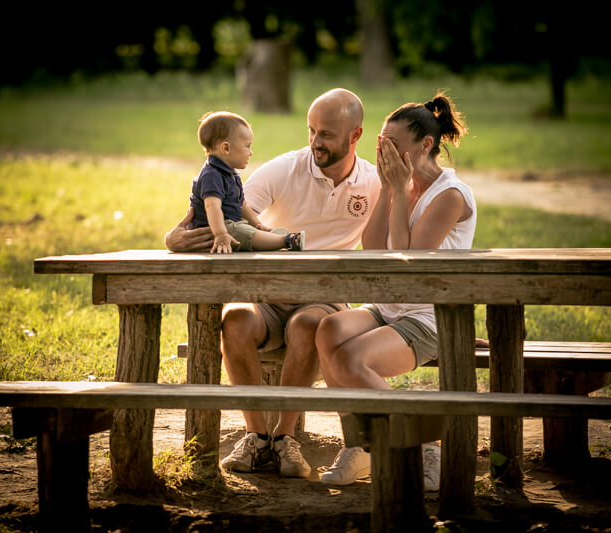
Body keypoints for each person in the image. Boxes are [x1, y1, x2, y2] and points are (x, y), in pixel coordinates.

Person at [164, 88, 382, 477]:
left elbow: (398, 244)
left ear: (355, 136)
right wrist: (175, 237)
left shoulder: (373, 183)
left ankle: (286, 440)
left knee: (306, 324)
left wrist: (427, 314)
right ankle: (257, 438)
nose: (315, 142)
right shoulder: (285, 169)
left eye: (326, 134)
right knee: (234, 320)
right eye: (311, 131)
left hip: (324, 300)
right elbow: (218, 209)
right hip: (268, 296)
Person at [315, 90, 477, 491]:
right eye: (381, 145)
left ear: (425, 145)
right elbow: (373, 248)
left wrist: (399, 190)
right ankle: (362, 450)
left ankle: (427, 448)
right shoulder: (398, 185)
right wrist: (391, 190)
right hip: (389, 307)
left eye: (394, 147)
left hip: (429, 315)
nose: (385, 154)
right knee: (327, 330)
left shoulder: (451, 195)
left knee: (351, 361)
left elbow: (411, 260)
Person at [188, 111, 305, 253]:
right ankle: (286, 241)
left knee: (245, 229)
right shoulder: (211, 175)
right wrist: (220, 234)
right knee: (241, 232)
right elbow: (212, 207)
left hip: (231, 224)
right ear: (226, 148)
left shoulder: (231, 174)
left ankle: (271, 238)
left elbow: (242, 204)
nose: (251, 152)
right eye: (247, 146)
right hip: (212, 230)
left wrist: (257, 224)